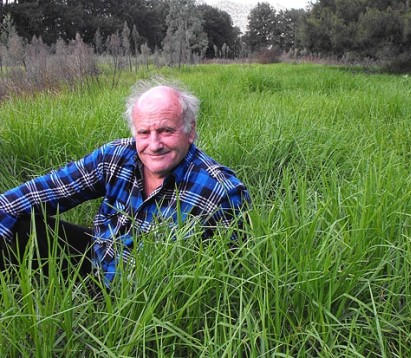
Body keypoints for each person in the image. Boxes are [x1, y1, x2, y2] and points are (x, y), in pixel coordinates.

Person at [0, 80, 250, 287]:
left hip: (150, 299)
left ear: (190, 131)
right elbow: (46, 190)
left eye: (165, 130)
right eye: (144, 133)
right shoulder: (115, 157)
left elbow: (232, 281)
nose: (154, 144)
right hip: (99, 257)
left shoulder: (221, 192)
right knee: (19, 225)